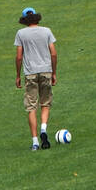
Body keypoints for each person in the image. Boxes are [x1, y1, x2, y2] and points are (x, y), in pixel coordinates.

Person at [15, 8, 57, 150]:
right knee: (45, 103)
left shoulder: (21, 33)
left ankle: (34, 142)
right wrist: (54, 72)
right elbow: (53, 54)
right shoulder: (46, 31)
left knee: (31, 107)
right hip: (46, 71)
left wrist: (17, 75)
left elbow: (19, 56)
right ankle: (43, 129)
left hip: (30, 73)